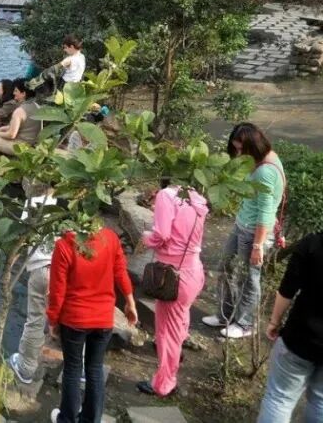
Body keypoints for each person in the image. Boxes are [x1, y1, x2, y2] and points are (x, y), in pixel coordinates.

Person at [48, 226, 138, 423]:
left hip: (74, 318)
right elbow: (120, 271)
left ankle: (67, 419)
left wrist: (53, 320)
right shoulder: (110, 237)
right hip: (104, 318)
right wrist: (130, 301)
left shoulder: (64, 244)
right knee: (95, 369)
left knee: (72, 369)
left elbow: (57, 291)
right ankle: (91, 419)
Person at [203, 123, 285, 339]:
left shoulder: (265, 171)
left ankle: (245, 324)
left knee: (249, 278)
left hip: (254, 232)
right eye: (236, 148)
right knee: (227, 267)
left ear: (254, 146)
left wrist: (258, 245)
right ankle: (225, 314)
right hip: (242, 225)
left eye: (241, 149)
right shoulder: (259, 160)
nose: (238, 153)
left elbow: (266, 211)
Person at [137, 184, 210, 397]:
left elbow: (162, 234)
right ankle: (177, 350)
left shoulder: (166, 195)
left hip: (173, 277)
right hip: (194, 271)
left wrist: (145, 237)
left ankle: (164, 384)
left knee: (166, 332)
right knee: (180, 318)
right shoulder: (196, 196)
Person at [257, 231, 323, 422]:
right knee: (320, 401)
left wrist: (274, 321)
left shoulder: (313, 243)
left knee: (280, 398)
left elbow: (287, 289)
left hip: (301, 338)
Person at [9, 189, 58, 384]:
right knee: (72, 320)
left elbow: (22, 239)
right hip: (67, 270)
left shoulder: (33, 203)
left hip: (41, 269)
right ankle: (79, 368)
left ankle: (26, 368)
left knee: (35, 320)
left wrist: (10, 266)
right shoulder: (70, 206)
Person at [0, 79, 42, 156]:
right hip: (33, 144)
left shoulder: (19, 111)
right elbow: (21, 126)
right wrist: (0, 129)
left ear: (23, 93)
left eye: (16, 91)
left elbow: (11, 135)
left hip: (21, 147)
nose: (13, 93)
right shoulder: (37, 106)